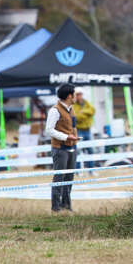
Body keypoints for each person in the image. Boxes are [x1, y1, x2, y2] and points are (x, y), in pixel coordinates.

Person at [45, 83, 79, 212]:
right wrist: (65, 137)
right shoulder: (55, 110)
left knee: (69, 178)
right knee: (59, 178)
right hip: (60, 148)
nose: (76, 96)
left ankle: (66, 205)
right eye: (75, 94)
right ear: (70, 95)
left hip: (72, 147)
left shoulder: (71, 109)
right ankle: (56, 207)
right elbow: (49, 130)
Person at [72, 87, 97, 176]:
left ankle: (91, 170)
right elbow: (77, 117)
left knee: (91, 150)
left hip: (88, 130)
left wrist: (84, 111)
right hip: (79, 131)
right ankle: (78, 170)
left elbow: (93, 110)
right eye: (78, 95)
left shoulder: (86, 103)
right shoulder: (73, 105)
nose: (79, 96)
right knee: (78, 151)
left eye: (80, 94)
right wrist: (87, 114)